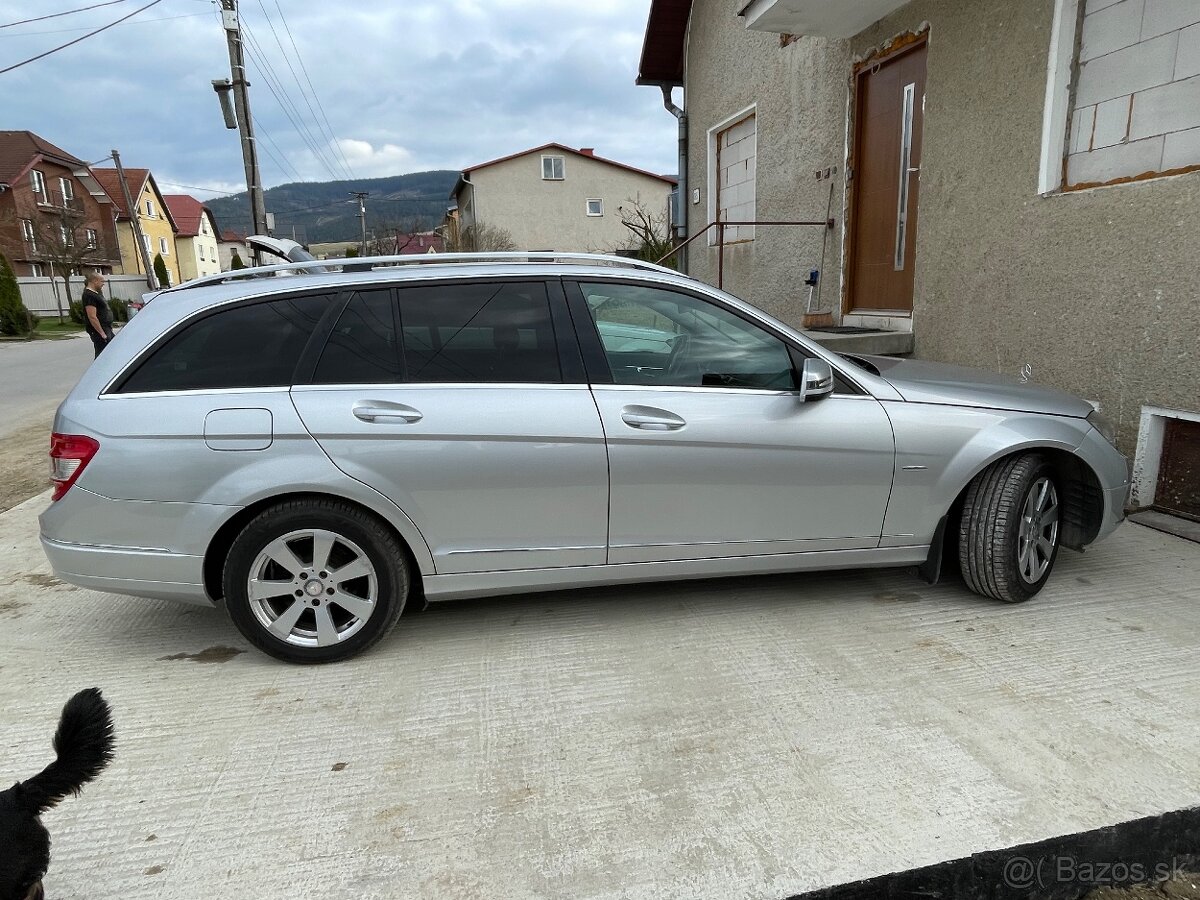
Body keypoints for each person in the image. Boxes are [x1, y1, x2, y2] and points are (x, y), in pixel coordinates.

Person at [81, 271, 114, 358]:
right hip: (99, 330)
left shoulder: (97, 293)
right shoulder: (89, 295)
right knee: (102, 355)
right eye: (102, 281)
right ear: (95, 281)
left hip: (106, 328)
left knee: (112, 351)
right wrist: (102, 333)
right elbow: (92, 316)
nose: (103, 284)